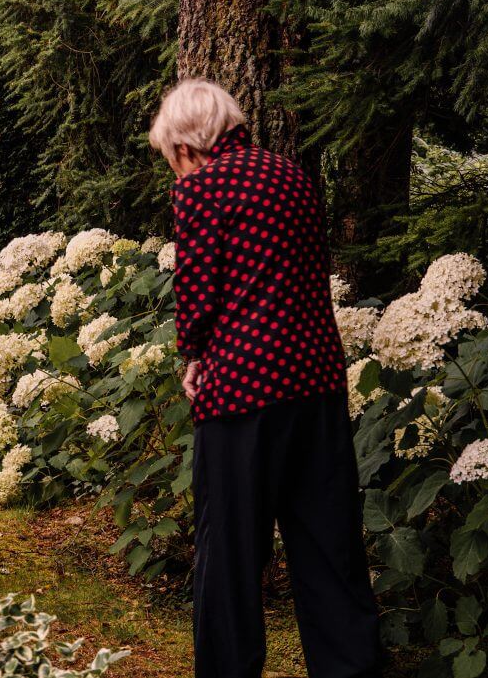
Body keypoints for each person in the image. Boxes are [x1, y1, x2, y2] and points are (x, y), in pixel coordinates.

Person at [149, 78, 382, 678]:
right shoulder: (293, 175)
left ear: (184, 144)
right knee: (331, 550)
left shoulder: (200, 190)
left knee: (230, 557)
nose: (173, 169)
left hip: (242, 393)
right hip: (316, 382)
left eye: (170, 157)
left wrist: (193, 359)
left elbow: (197, 294)